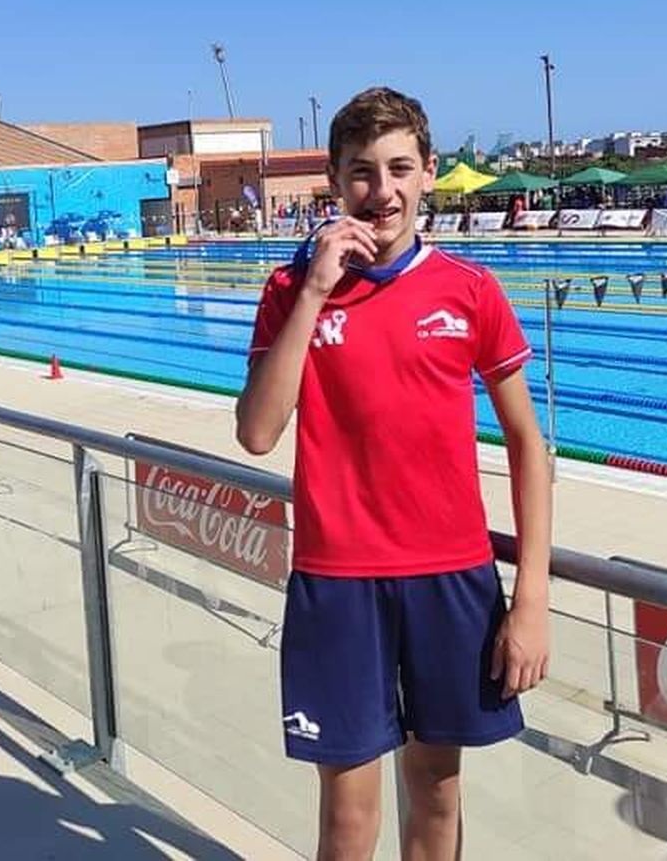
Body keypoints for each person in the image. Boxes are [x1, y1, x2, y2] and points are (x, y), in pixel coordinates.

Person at [235, 87, 552, 860]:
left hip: (451, 576)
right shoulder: (288, 290)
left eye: (399, 168)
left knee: (437, 790)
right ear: (337, 184)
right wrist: (315, 288)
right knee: (347, 818)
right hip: (337, 577)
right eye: (362, 172)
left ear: (429, 173)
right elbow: (257, 432)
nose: (383, 191)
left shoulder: (469, 290)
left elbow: (527, 445)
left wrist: (532, 599)